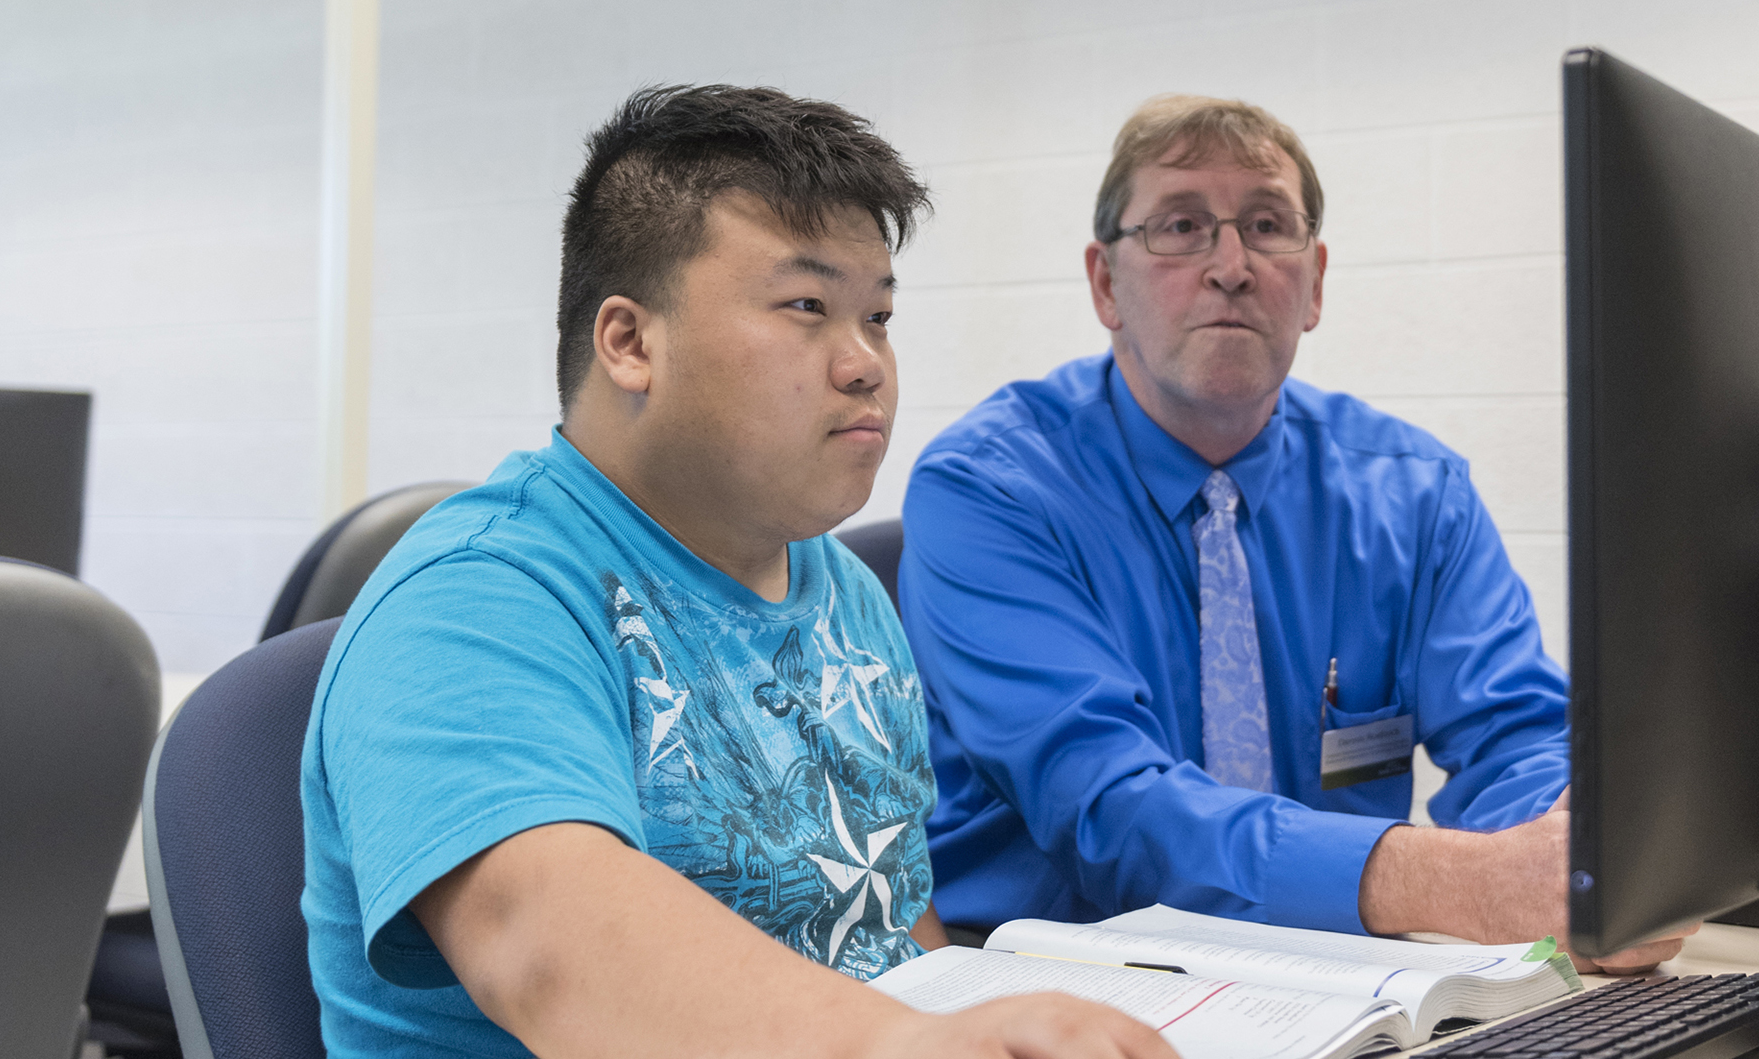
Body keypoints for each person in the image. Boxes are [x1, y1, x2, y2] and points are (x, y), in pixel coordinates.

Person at [301, 86, 1176, 1059]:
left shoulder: (842, 592)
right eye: (807, 307)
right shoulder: (476, 600)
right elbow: (547, 947)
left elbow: (894, 928)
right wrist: (901, 1043)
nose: (866, 365)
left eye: (878, 314)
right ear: (631, 342)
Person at [899, 95, 1688, 971]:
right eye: (1181, 225)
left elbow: (1517, 734)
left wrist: (1574, 856)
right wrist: (1453, 882)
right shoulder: (989, 491)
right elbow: (1111, 811)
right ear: (1104, 283)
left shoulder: (1415, 496)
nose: (1229, 266)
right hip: (1054, 977)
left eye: (1267, 225)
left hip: (1342, 979)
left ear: (1314, 282)